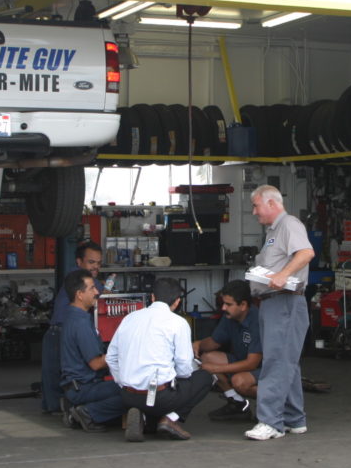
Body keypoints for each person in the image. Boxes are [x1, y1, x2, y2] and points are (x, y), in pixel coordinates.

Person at [244, 184, 315, 441]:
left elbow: (306, 252)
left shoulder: (289, 225)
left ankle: (270, 422)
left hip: (285, 301)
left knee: (276, 361)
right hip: (275, 302)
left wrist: (283, 274)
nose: (254, 212)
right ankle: (294, 419)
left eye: (256, 205)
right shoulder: (275, 231)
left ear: (272, 203)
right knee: (287, 361)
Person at [106, 277, 214, 442]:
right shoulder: (178, 323)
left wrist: (123, 382)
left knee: (155, 397)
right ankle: (170, 419)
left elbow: (111, 357)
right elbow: (184, 367)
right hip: (160, 397)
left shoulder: (129, 318)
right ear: (177, 302)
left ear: (152, 297)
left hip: (127, 395)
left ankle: (142, 415)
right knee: (205, 377)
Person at [57, 268, 126, 432]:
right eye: (92, 288)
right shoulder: (80, 323)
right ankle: (87, 413)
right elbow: (95, 363)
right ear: (80, 295)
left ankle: (77, 407)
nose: (97, 292)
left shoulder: (73, 316)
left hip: (77, 386)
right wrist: (125, 355)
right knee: (133, 392)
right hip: (83, 387)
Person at [41, 241, 104, 414]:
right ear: (79, 262)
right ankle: (64, 409)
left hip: (57, 331)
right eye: (91, 262)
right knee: (59, 374)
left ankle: (56, 408)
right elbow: (101, 296)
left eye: (99, 263)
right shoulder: (82, 280)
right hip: (59, 332)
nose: (95, 267)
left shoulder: (78, 278)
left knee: (54, 375)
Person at [193, 279, 262, 422]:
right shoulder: (229, 316)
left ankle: (275, 404)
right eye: (223, 303)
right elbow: (213, 343)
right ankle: (237, 403)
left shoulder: (257, 320)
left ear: (243, 305)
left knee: (240, 381)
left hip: (265, 369)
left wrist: (216, 368)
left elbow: (252, 364)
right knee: (207, 357)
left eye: (228, 304)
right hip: (241, 362)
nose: (223, 308)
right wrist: (198, 344)